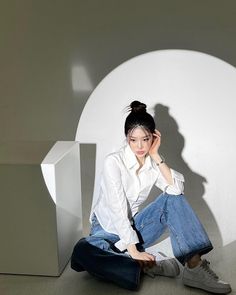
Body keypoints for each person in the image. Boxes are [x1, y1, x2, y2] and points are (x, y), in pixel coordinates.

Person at [71, 101, 231, 294]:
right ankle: (146, 263)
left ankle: (194, 268)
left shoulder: (152, 162)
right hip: (106, 230)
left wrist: (156, 156)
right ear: (126, 138)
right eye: (133, 140)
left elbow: (176, 190)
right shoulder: (113, 162)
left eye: (145, 139)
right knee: (83, 250)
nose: (139, 146)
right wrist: (134, 251)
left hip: (133, 227)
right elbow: (118, 210)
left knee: (172, 199)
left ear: (153, 138)